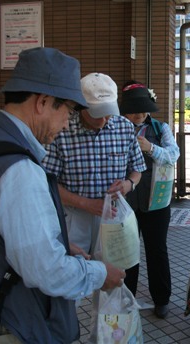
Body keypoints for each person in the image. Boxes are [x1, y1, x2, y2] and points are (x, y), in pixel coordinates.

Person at [0, 47, 126, 343]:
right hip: (13, 322)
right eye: (67, 111)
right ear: (43, 102)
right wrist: (98, 273)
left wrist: (60, 245)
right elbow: (47, 271)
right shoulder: (18, 170)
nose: (67, 122)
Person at [43, 73, 147, 255]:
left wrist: (128, 185)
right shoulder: (61, 130)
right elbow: (48, 183)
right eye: (98, 114)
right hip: (73, 215)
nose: (104, 119)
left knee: (114, 272)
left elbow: (137, 168)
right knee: (75, 270)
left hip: (113, 214)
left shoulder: (124, 127)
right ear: (81, 107)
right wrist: (85, 203)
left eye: (109, 113)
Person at [119, 81, 180, 319]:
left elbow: (173, 154)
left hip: (157, 201)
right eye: (134, 109)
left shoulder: (160, 128)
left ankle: (162, 299)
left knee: (157, 250)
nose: (139, 114)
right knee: (128, 253)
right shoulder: (115, 128)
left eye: (143, 108)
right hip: (126, 202)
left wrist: (151, 148)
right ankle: (126, 299)